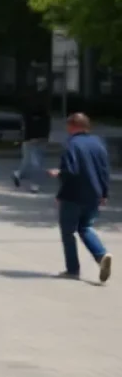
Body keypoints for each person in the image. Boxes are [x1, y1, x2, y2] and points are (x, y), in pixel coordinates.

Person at [49, 113, 112, 283]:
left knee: (68, 232)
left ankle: (73, 269)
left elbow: (71, 171)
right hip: (94, 193)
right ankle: (101, 255)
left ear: (72, 126)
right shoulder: (98, 143)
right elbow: (104, 170)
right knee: (85, 227)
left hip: (73, 194)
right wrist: (104, 193)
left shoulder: (71, 145)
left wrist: (60, 186)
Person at [13, 96, 51, 194]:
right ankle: (34, 184)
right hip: (37, 140)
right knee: (36, 163)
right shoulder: (44, 114)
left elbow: (25, 128)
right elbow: (45, 128)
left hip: (32, 140)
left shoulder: (28, 114)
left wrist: (24, 138)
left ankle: (19, 174)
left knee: (30, 162)